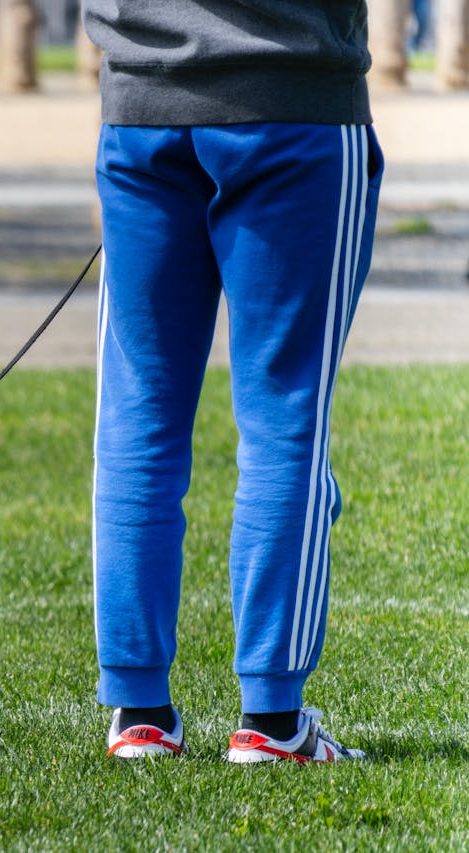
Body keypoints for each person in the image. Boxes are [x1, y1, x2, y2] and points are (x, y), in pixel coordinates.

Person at [82, 0, 382, 762]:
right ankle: (273, 723)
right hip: (294, 98)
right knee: (287, 415)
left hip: (142, 102)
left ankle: (140, 714)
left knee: (138, 414)